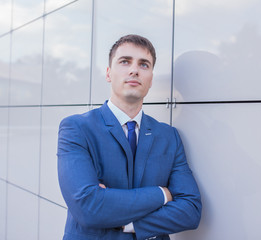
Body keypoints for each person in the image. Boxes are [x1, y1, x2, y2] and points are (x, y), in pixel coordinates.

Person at [57, 34, 202, 240]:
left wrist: (129, 223)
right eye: (125, 62)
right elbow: (88, 207)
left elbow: (191, 211)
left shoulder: (169, 136)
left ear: (150, 78)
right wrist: (162, 194)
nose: (134, 70)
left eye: (144, 64)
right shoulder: (77, 128)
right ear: (108, 73)